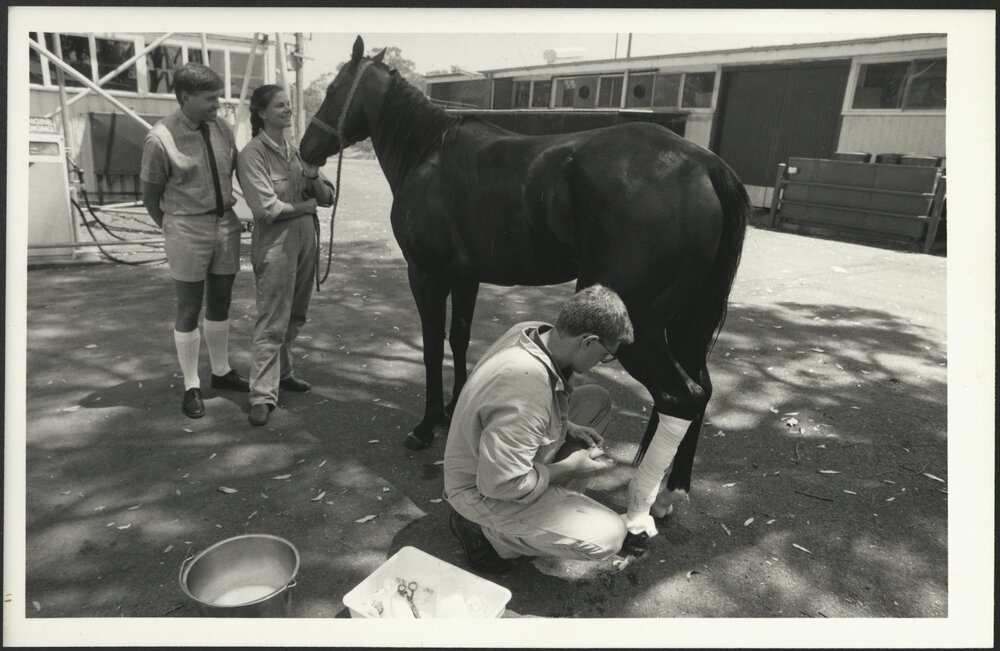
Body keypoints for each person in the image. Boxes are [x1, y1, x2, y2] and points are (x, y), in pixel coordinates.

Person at [443, 284, 637, 574]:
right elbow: (501, 484)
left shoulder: (533, 331)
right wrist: (570, 467)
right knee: (609, 536)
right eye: (607, 354)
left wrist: (566, 426)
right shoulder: (526, 388)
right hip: (480, 490)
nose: (604, 362)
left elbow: (509, 411)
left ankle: (537, 516)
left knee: (596, 400)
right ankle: (487, 534)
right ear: (588, 341)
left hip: (492, 453)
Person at [140, 63, 249, 419]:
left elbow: (235, 172)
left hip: (225, 225)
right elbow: (150, 195)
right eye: (210, 98)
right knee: (189, 308)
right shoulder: (160, 138)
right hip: (186, 228)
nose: (218, 104)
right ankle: (191, 384)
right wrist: (173, 226)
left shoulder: (222, 127)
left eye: (218, 96)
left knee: (221, 302)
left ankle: (220, 371)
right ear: (185, 97)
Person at [237, 85, 334, 426]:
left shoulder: (297, 151)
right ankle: (262, 394)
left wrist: (311, 176)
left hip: (306, 243)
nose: (288, 109)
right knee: (273, 319)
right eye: (280, 105)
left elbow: (327, 197)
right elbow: (266, 209)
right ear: (262, 113)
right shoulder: (252, 155)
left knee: (295, 315)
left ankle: (284, 373)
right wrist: (305, 205)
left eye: (289, 104)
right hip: (276, 247)